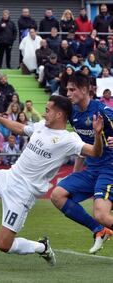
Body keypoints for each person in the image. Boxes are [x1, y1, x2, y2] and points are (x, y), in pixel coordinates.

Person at [0, 95, 104, 266]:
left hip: (22, 194)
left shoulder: (69, 139)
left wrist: (98, 135)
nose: (44, 113)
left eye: (48, 110)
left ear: (59, 115)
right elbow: (19, 128)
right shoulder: (41, 127)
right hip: (7, 177)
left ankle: (41, 247)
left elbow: (95, 152)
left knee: (3, 245)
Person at [51, 72, 113, 254]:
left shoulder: (103, 111)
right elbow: (81, 146)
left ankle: (101, 224)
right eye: (67, 89)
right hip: (91, 170)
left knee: (101, 214)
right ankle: (99, 230)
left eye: (72, 89)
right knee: (57, 195)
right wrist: (76, 172)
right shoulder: (74, 114)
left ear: (85, 90)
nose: (68, 93)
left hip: (109, 169)